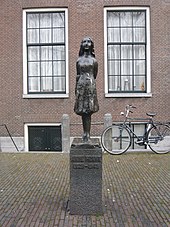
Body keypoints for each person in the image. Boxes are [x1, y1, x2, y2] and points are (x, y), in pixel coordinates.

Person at [74, 37, 99, 142]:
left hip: (90, 87)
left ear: (91, 45)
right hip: (81, 86)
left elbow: (95, 75)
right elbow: (78, 75)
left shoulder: (94, 61)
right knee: (83, 111)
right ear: (82, 44)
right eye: (84, 41)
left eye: (88, 42)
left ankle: (87, 134)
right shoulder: (78, 60)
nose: (86, 43)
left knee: (88, 111)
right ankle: (84, 133)